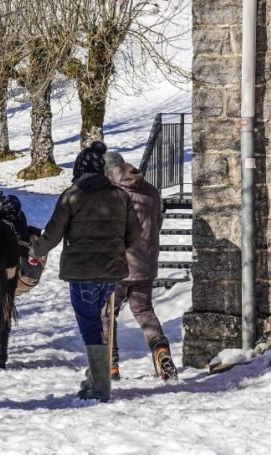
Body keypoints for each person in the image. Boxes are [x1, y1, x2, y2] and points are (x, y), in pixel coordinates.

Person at [30, 141, 142, 402]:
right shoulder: (120, 196)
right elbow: (135, 233)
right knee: (98, 321)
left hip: (82, 273)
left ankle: (100, 386)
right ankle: (95, 377)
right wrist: (115, 248)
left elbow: (53, 235)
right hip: (111, 272)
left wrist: (34, 251)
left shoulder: (72, 195)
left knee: (90, 324)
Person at [101, 152, 177, 381]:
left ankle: (110, 366)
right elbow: (158, 223)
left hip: (119, 265)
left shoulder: (112, 193)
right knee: (144, 311)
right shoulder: (151, 190)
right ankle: (160, 349)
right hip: (146, 263)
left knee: (106, 314)